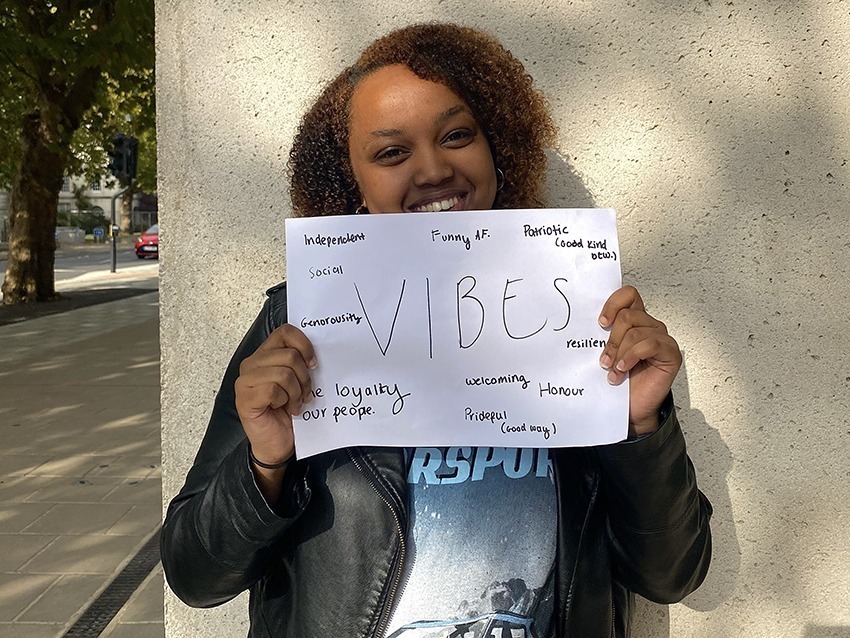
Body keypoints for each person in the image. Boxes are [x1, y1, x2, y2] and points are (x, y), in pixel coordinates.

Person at [161, 22, 712, 638]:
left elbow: (672, 576)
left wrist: (638, 426)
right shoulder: (296, 325)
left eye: (456, 135)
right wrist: (266, 461)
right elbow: (194, 575)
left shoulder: (587, 316)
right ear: (355, 186)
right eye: (392, 152)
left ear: (497, 149)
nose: (432, 169)